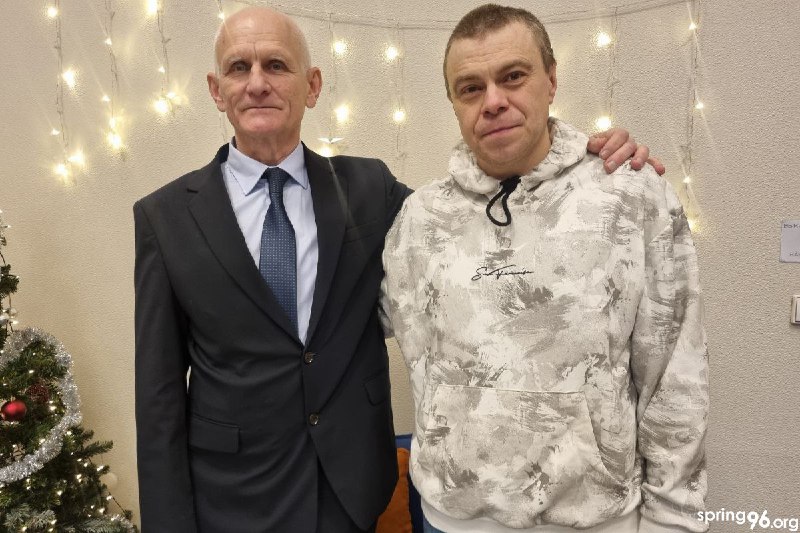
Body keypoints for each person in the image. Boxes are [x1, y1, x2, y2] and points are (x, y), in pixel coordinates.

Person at [133, 6, 657, 532]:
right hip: (233, 499)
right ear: (216, 89)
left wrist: (586, 164)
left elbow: (481, 215)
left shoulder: (370, 189)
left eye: (276, 65)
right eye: (238, 68)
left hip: (350, 492)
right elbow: (158, 398)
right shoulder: (165, 217)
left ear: (312, 86)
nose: (257, 83)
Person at [381, 4, 708, 533]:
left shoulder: (631, 196)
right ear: (453, 102)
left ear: (551, 80)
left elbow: (674, 373)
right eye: (470, 88)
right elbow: (359, 323)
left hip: (596, 521)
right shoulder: (420, 219)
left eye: (513, 76)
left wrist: (673, 518)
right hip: (452, 519)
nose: (493, 101)